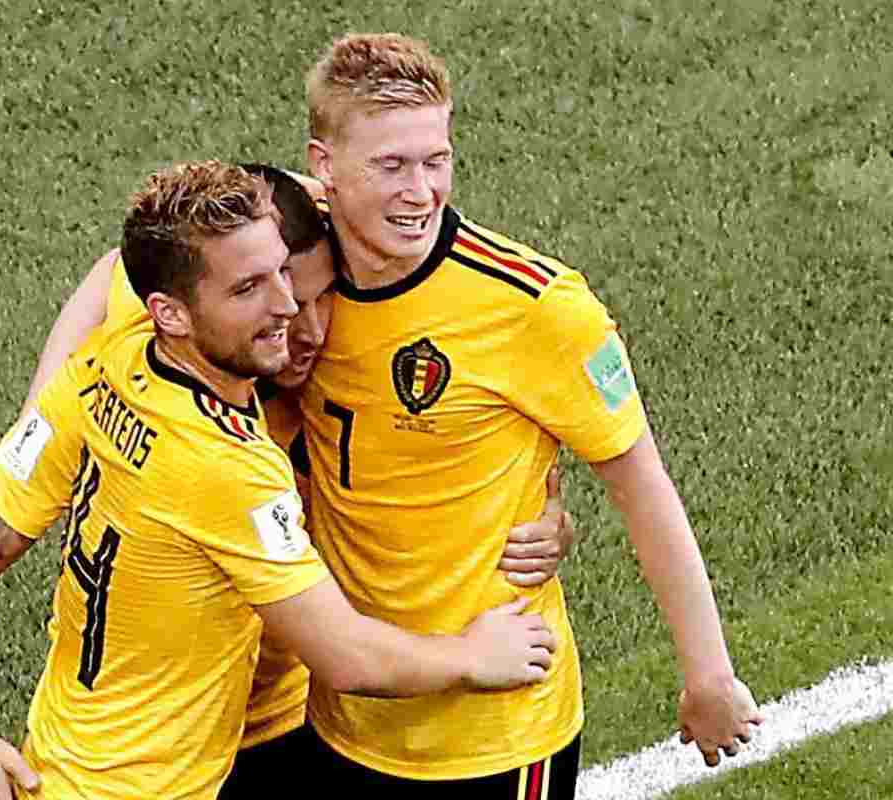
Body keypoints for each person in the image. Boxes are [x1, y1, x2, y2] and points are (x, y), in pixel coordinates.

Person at [0, 160, 562, 800]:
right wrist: (471, 657)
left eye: (283, 272)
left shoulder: (105, 360)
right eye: (248, 288)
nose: (286, 307)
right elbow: (346, 656)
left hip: (68, 764)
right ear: (170, 313)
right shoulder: (227, 465)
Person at [284, 32, 764, 795]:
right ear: (324, 167)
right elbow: (159, 256)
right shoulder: (292, 272)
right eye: (391, 166)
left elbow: (642, 484)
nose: (420, 192)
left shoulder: (534, 306)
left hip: (499, 735)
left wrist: (709, 675)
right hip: (348, 722)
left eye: (436, 161)